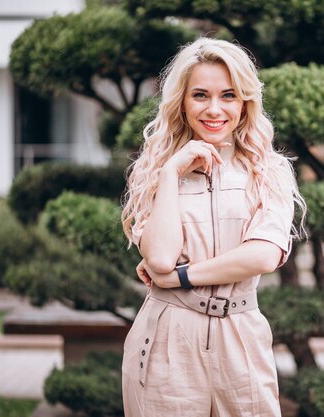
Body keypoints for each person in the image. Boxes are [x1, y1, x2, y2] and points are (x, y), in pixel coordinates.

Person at [121, 37, 306, 417]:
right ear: (182, 102)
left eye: (228, 96)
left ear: (245, 103)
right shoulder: (154, 170)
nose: (214, 109)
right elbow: (159, 258)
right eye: (200, 95)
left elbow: (264, 254)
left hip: (241, 335)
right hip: (167, 337)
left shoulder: (269, 171)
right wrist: (172, 172)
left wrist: (182, 277)